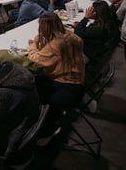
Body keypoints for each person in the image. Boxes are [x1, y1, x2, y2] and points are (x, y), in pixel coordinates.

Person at [27, 13, 85, 141]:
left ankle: (47, 128)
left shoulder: (55, 45)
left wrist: (34, 44)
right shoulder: (70, 35)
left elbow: (34, 60)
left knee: (30, 91)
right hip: (78, 83)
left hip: (65, 88)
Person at [74, 0, 120, 70]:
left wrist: (85, 18)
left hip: (89, 53)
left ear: (95, 13)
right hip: (99, 51)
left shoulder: (97, 28)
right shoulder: (109, 21)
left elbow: (77, 32)